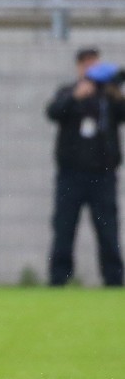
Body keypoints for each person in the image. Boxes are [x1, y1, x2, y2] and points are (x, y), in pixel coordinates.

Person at [46, 47, 125, 286]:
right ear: (79, 67)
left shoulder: (109, 95)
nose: (91, 69)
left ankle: (114, 279)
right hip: (71, 174)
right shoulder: (68, 91)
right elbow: (52, 112)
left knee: (108, 230)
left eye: (95, 64)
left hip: (103, 175)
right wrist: (76, 96)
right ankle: (59, 278)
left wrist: (116, 91)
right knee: (64, 227)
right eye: (86, 64)